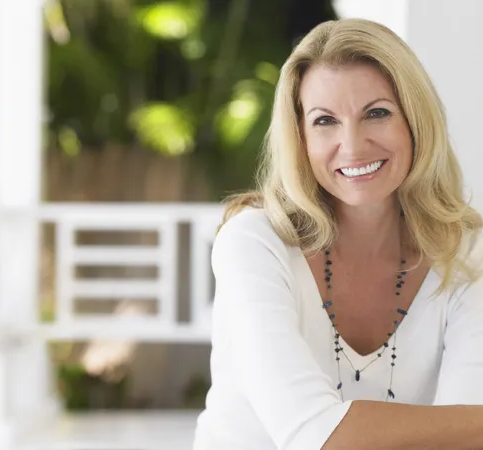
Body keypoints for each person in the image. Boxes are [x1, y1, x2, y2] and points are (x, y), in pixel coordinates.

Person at [193, 18, 483, 450]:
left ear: (415, 120)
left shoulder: (466, 252)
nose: (352, 145)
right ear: (301, 137)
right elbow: (314, 436)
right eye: (324, 120)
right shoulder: (253, 243)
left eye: (377, 113)